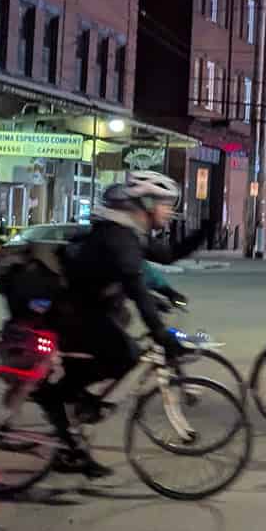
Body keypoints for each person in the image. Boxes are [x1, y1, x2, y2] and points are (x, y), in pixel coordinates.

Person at [40, 171, 207, 475]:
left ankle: (71, 438)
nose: (170, 211)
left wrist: (204, 232)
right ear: (146, 203)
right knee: (124, 357)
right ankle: (53, 400)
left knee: (114, 360)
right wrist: (159, 332)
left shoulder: (129, 231)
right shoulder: (118, 237)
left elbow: (166, 256)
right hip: (73, 312)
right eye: (166, 204)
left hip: (93, 310)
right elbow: (135, 285)